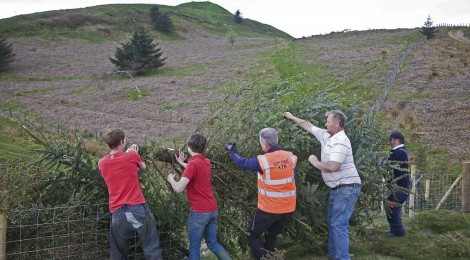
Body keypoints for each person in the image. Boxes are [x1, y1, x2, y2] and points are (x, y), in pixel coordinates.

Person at [284, 110, 361, 260]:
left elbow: (333, 166)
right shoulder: (326, 135)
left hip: (347, 187)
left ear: (337, 124)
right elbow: (308, 126)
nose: (325, 123)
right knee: (333, 222)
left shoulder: (341, 141)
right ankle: (333, 255)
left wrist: (314, 161)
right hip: (337, 188)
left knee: (339, 224)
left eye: (328, 121)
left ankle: (342, 258)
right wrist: (292, 117)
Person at [224, 128, 297, 260]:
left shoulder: (263, 161)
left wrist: (231, 150)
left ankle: (266, 258)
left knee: (253, 236)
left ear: (264, 144)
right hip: (288, 209)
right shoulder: (291, 157)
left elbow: (241, 162)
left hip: (269, 209)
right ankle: (272, 256)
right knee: (271, 235)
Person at [98, 129, 163, 260]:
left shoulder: (102, 162)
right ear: (121, 141)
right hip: (137, 206)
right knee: (151, 246)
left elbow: (116, 165)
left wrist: (127, 154)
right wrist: (133, 152)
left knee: (118, 252)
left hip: (117, 211)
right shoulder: (132, 156)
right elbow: (143, 168)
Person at [167, 133, 231, 260]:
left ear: (189, 147)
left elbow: (179, 188)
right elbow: (194, 169)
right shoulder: (206, 162)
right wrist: (181, 162)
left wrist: (171, 180)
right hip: (212, 209)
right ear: (203, 148)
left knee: (194, 246)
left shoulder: (193, 164)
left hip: (199, 211)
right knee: (213, 243)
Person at [386, 130, 410, 237]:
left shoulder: (400, 152)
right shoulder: (398, 151)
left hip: (400, 187)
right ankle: (394, 231)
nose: (389, 142)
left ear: (397, 140)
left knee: (393, 208)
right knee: (390, 206)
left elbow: (393, 167)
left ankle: (399, 233)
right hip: (397, 186)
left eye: (390, 140)